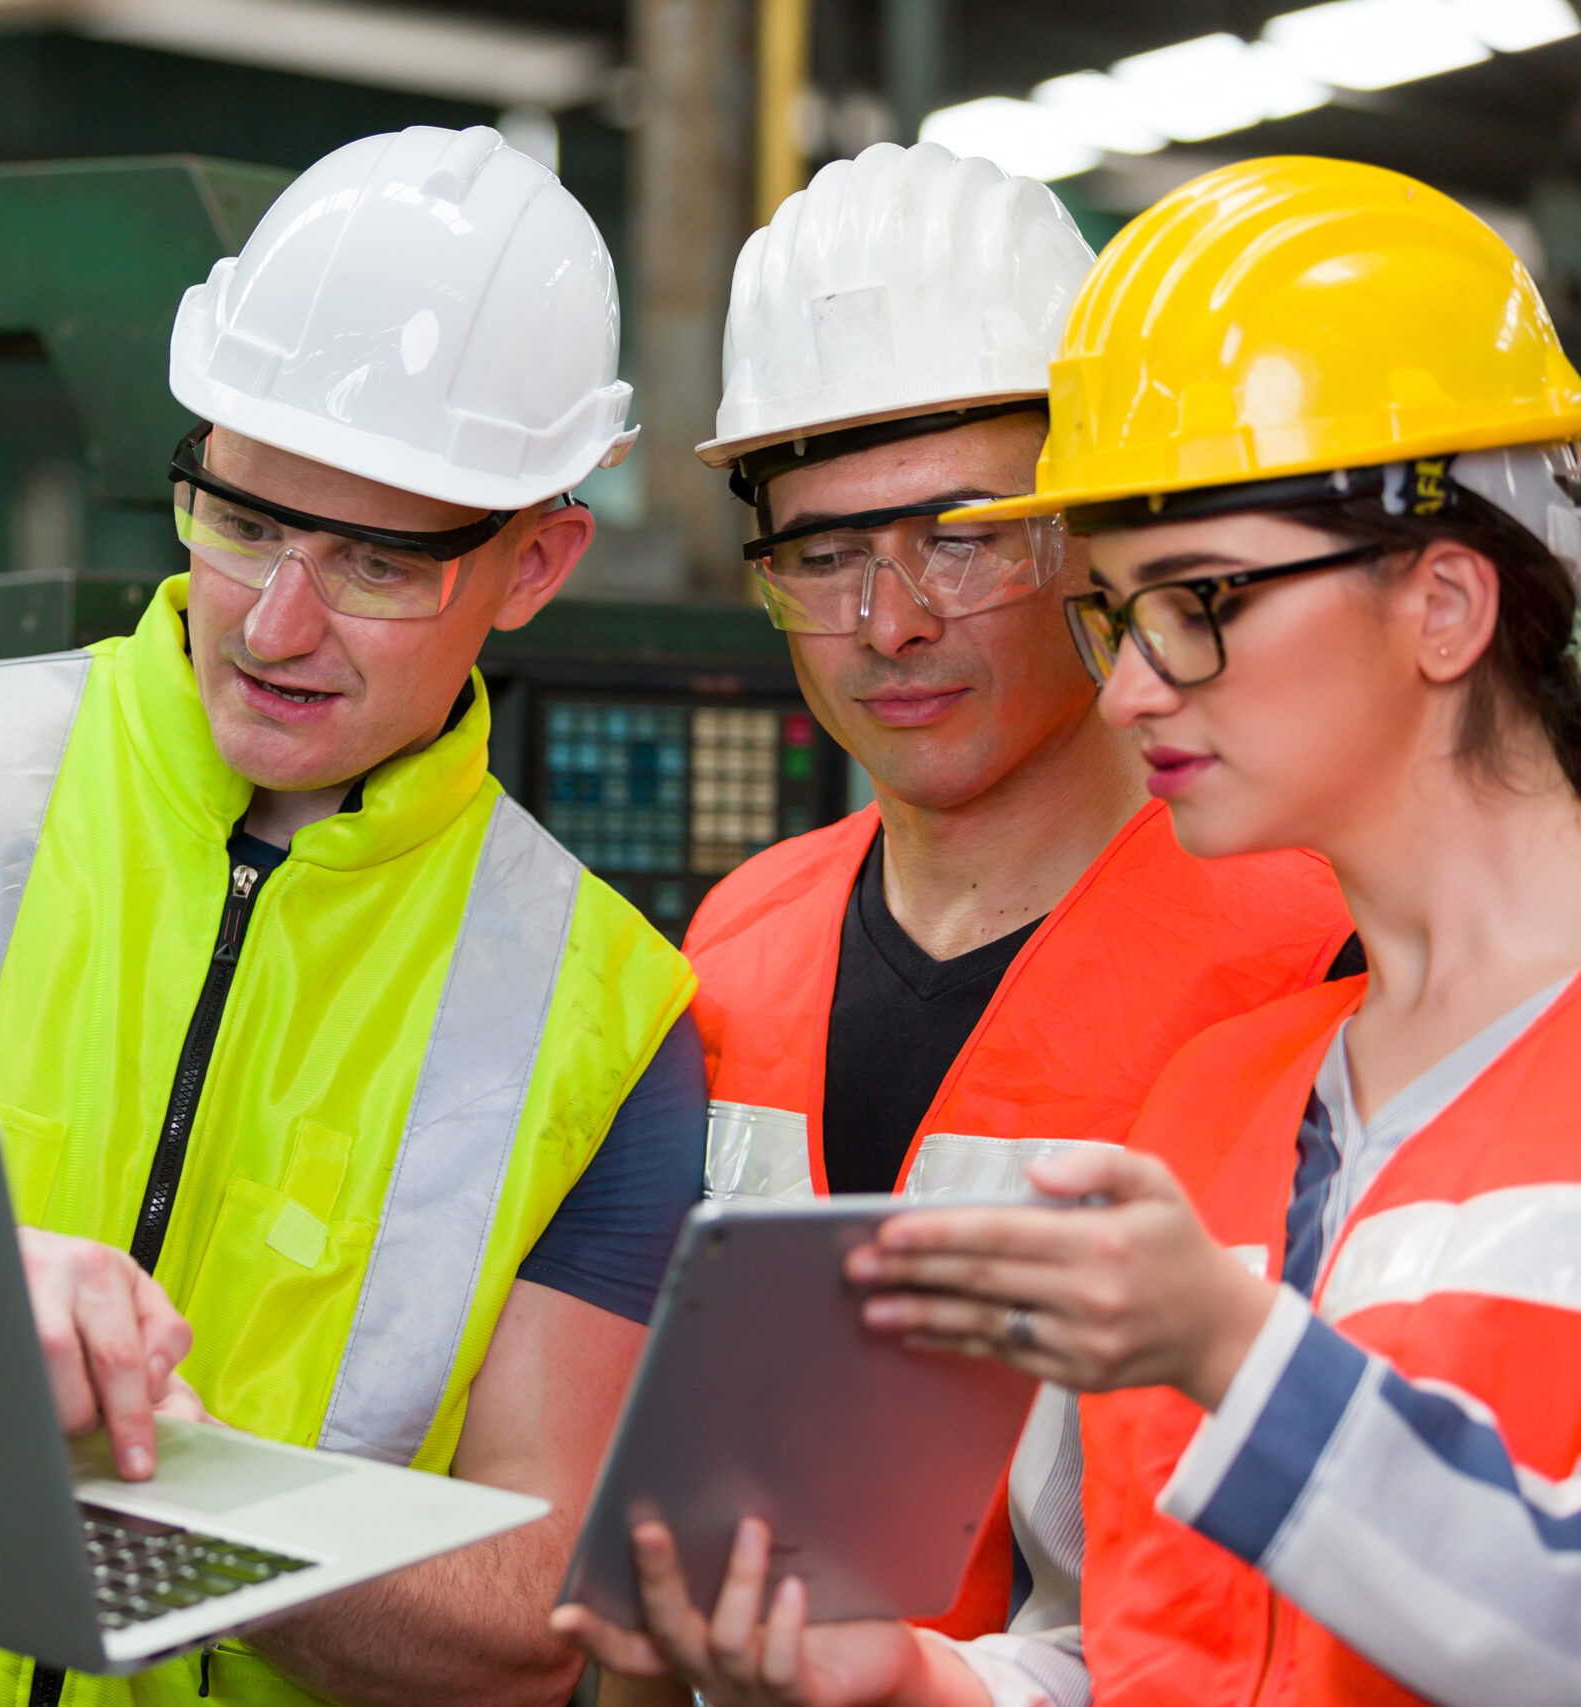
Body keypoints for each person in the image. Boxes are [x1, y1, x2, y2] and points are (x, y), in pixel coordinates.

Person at [0, 125, 705, 1707]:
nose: (277, 620)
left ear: (536, 562)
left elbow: (535, 1622)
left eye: (376, 564)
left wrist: (134, 1484)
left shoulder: (601, 1018)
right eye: (242, 519)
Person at [579, 156, 1581, 1705]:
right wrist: (925, 1688)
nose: (891, 622)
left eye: (1197, 599)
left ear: (1446, 604)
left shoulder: (1293, 984)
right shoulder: (1251, 1105)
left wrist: (1231, 1355)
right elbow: (1174, 1653)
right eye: (824, 557)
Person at [653, 141, 1357, 1691]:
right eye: (824, 556)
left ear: (1091, 535)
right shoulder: (735, 950)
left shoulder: (1316, 954)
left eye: (962, 537)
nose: (889, 622)